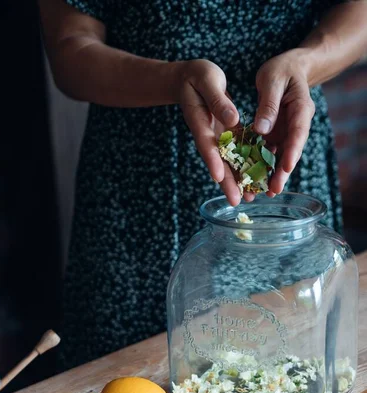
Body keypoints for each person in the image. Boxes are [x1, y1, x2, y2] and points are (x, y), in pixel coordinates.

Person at [39, 0, 367, 370]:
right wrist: (173, 79)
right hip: (138, 182)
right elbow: (70, 52)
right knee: (121, 372)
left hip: (284, 149)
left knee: (297, 348)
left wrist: (306, 63)